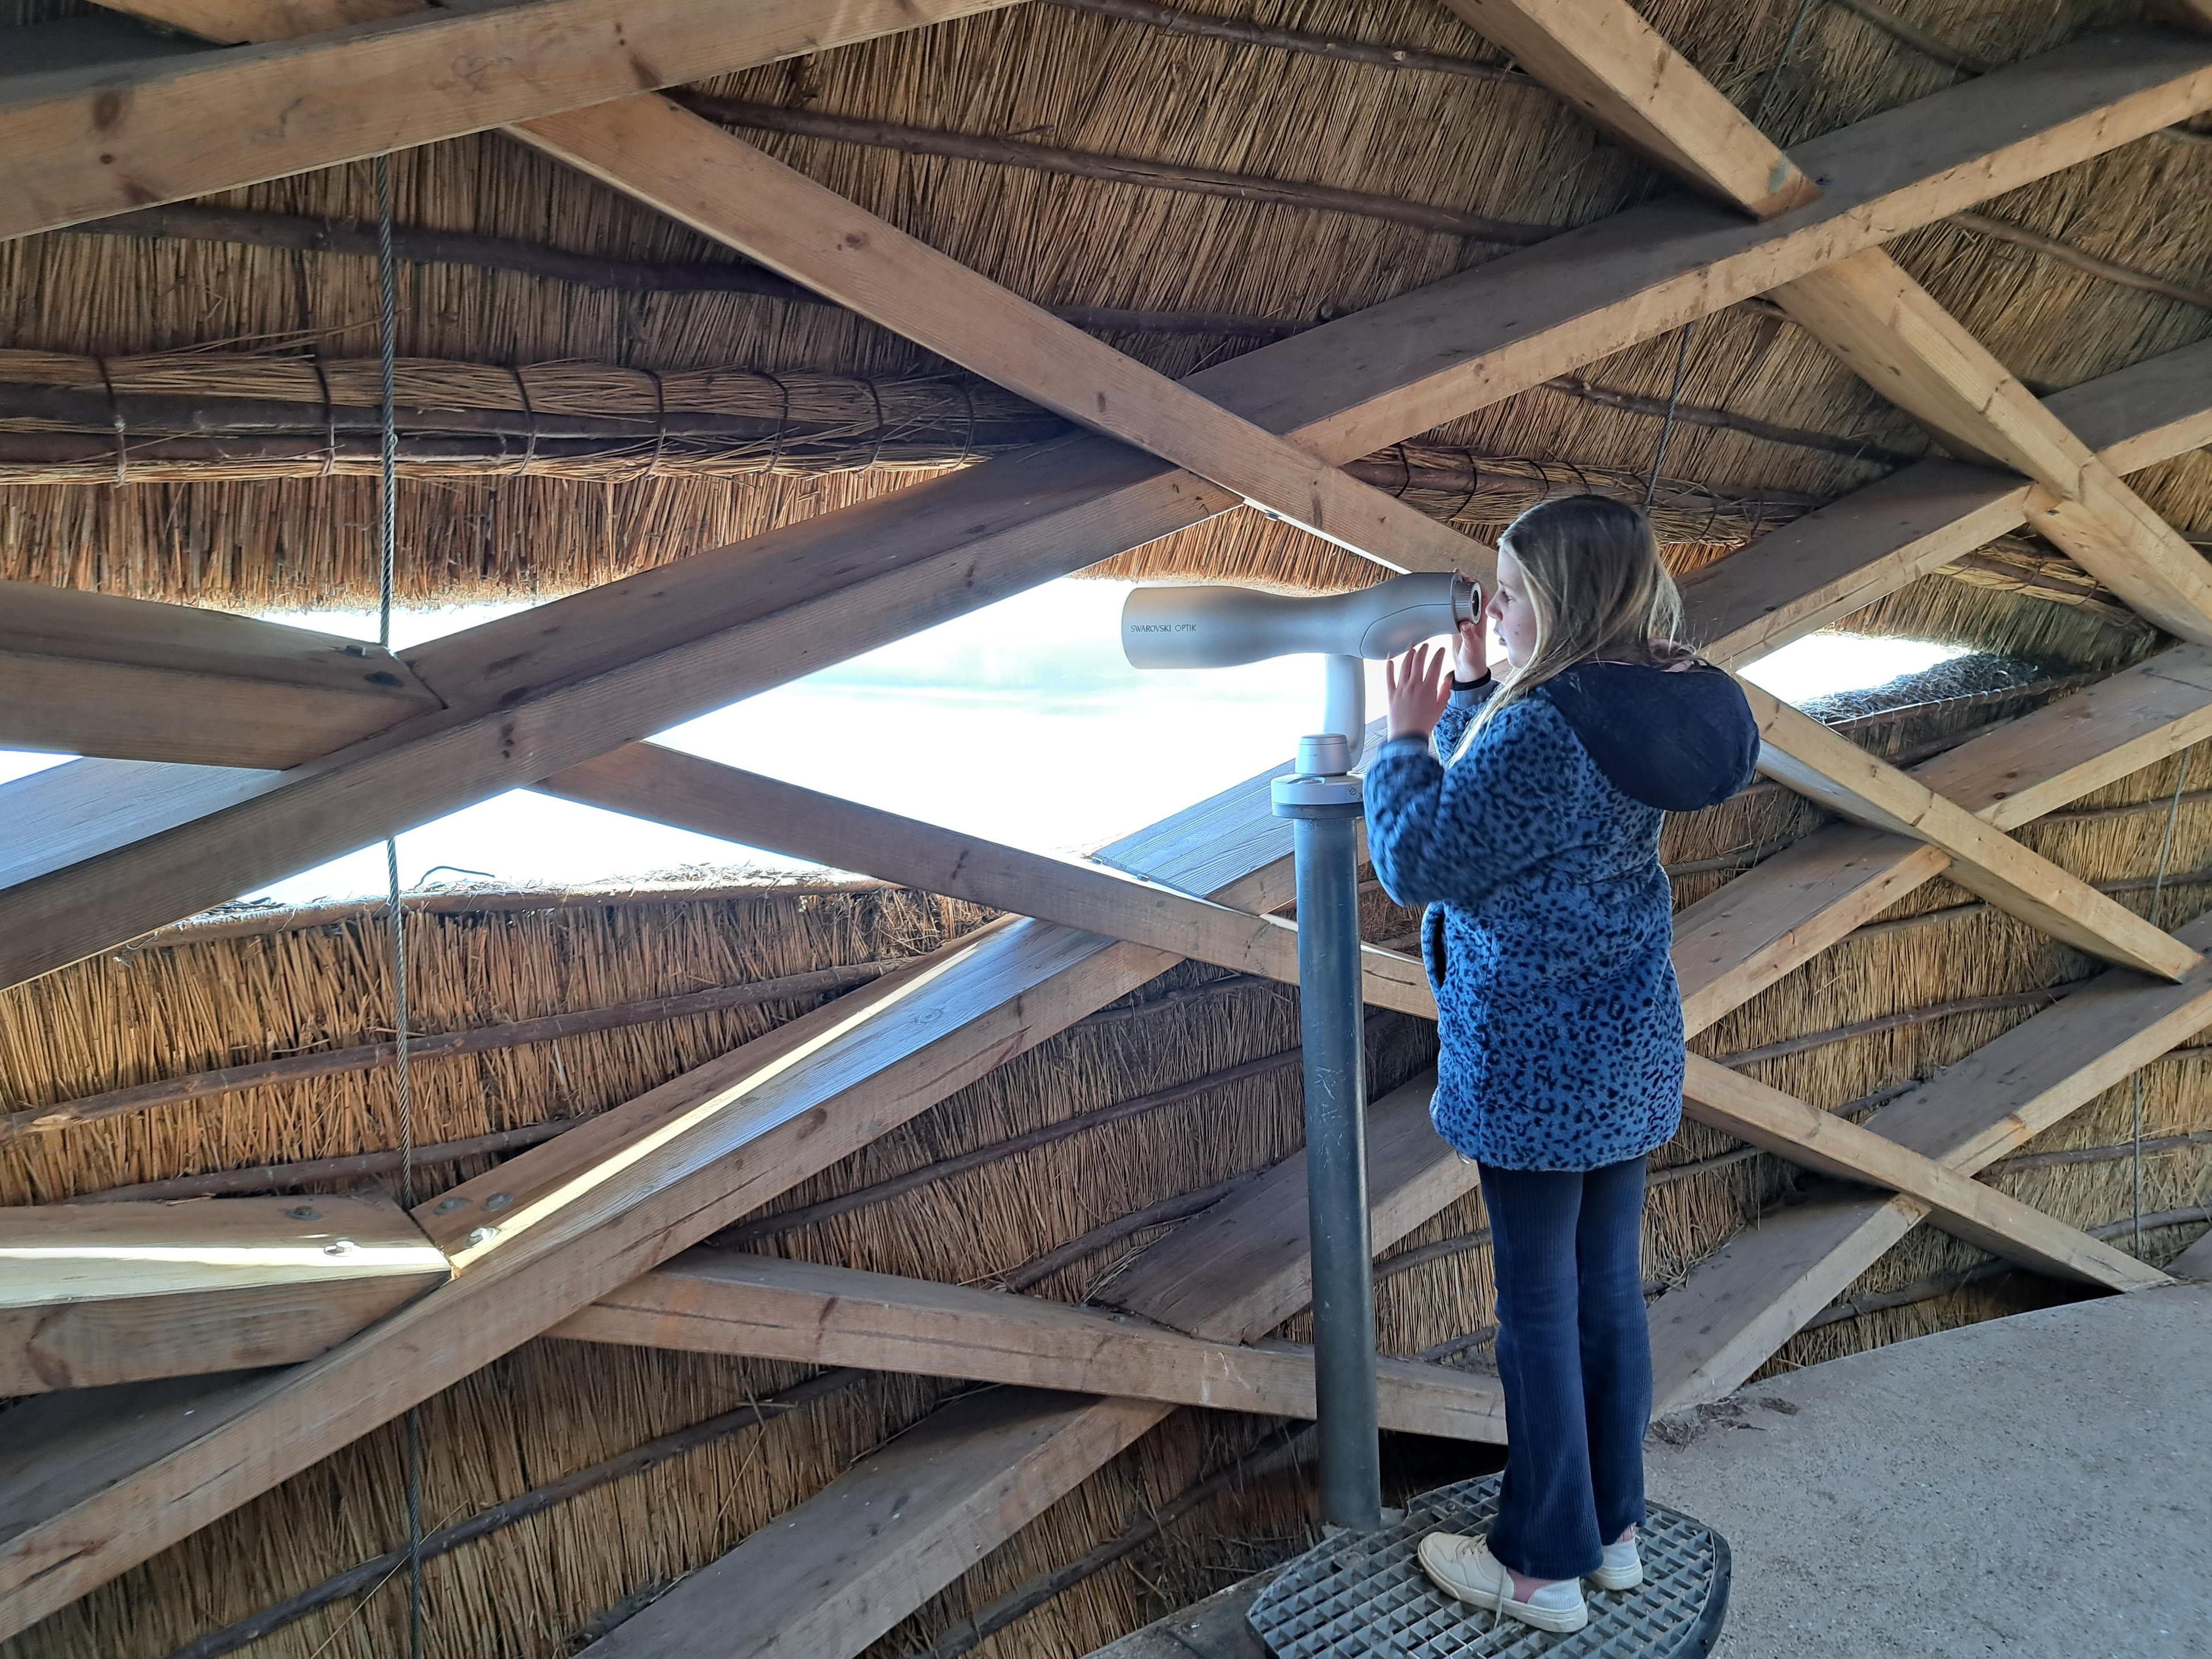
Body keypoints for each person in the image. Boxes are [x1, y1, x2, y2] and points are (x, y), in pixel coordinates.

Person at [1363, 495, 1758, 1635]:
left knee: (1535, 1313)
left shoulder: (1550, 732)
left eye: (1515, 592)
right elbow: (1507, 814)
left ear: (1567, 604)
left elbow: (1424, 856)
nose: (1494, 608)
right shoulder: (1638, 704)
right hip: (1626, 1054)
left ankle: (1539, 1566)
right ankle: (1613, 1533)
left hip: (1537, 1069)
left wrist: (1402, 733)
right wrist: (1479, 697)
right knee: (1604, 1301)